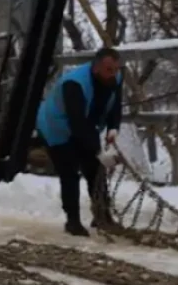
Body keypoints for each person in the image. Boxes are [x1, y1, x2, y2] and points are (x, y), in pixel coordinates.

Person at [35, 47, 123, 237]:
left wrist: (113, 127)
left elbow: (115, 104)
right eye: (109, 70)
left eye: (116, 69)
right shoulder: (74, 84)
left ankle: (102, 217)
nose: (113, 74)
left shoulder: (114, 79)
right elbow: (77, 123)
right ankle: (72, 221)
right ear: (96, 67)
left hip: (85, 125)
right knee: (69, 173)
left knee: (95, 170)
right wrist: (99, 152)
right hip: (55, 127)